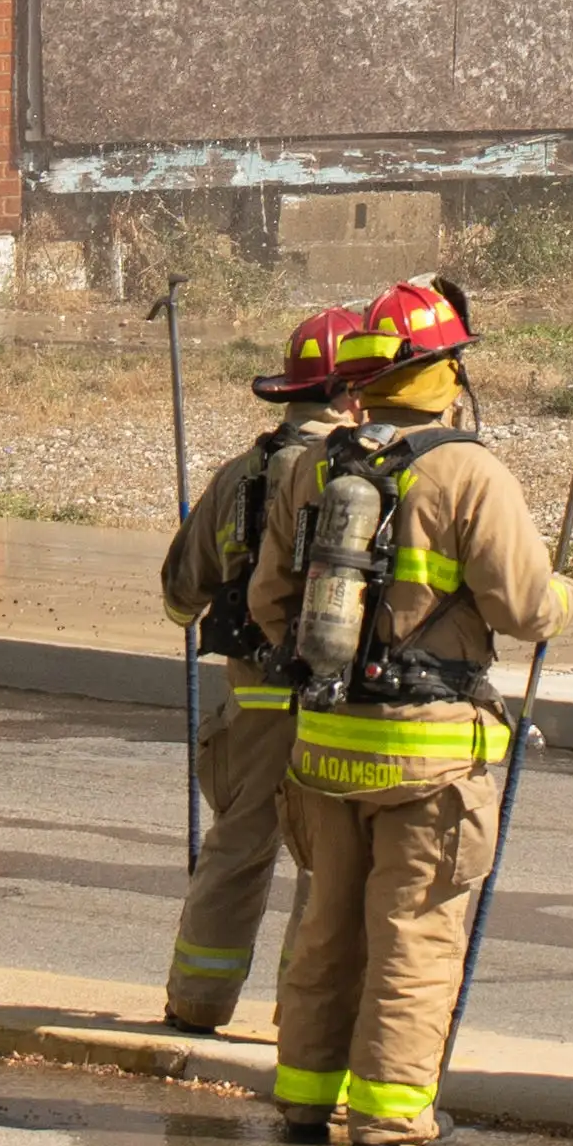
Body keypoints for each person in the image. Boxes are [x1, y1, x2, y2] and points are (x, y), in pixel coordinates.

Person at [242, 274, 555, 1146]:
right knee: (413, 935)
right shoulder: (469, 471)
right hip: (431, 756)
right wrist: (563, 597)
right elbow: (527, 609)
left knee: (326, 926)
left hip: (324, 743)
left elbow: (274, 603)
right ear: (446, 373)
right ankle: (388, 1114)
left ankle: (304, 1097)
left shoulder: (314, 464)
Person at [148, 309, 359, 1032]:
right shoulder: (368, 474)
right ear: (352, 393)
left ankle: (198, 1003)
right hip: (338, 704)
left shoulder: (243, 475)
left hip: (253, 701)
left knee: (238, 848)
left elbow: (181, 594)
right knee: (326, 867)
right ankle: (302, 1021)